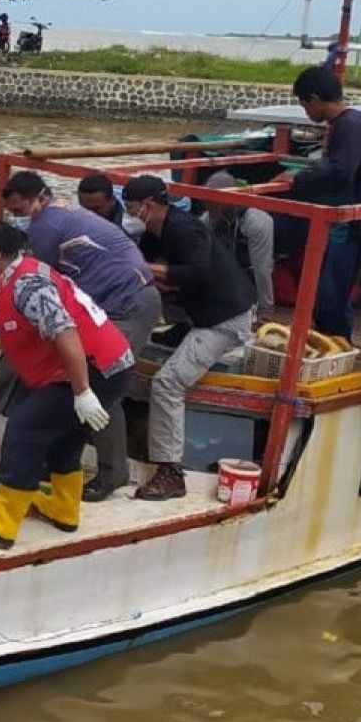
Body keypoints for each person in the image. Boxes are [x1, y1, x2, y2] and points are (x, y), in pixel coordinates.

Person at [0, 222, 134, 548]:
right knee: (65, 433)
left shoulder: (27, 287)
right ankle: (64, 507)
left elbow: (66, 332)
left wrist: (83, 391)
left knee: (25, 428)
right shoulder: (13, 281)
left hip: (95, 368)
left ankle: (3, 519)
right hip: (106, 364)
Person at [0, 171, 162, 502]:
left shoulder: (45, 227)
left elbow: (32, 281)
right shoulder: (59, 212)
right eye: (13, 214)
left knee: (104, 380)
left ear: (39, 199)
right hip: (109, 300)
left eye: (20, 211)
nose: (19, 219)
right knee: (72, 379)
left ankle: (113, 472)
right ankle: (60, 459)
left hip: (129, 302)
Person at [122, 175, 256, 501]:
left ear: (149, 206)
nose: (129, 215)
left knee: (167, 383)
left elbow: (198, 272)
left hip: (223, 321)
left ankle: (170, 472)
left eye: (131, 209)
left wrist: (145, 269)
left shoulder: (185, 229)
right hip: (198, 314)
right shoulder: (155, 234)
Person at [274, 66, 361, 340]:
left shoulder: (348, 125)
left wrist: (299, 178)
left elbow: (340, 171)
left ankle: (337, 342)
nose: (306, 113)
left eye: (304, 106)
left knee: (331, 292)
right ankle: (330, 339)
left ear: (314, 99)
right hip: (357, 219)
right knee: (332, 288)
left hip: (352, 223)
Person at [202, 170, 275, 316]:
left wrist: (266, 308)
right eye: (206, 200)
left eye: (213, 201)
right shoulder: (207, 218)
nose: (207, 205)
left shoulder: (256, 222)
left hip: (250, 271)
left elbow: (262, 269)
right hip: (226, 273)